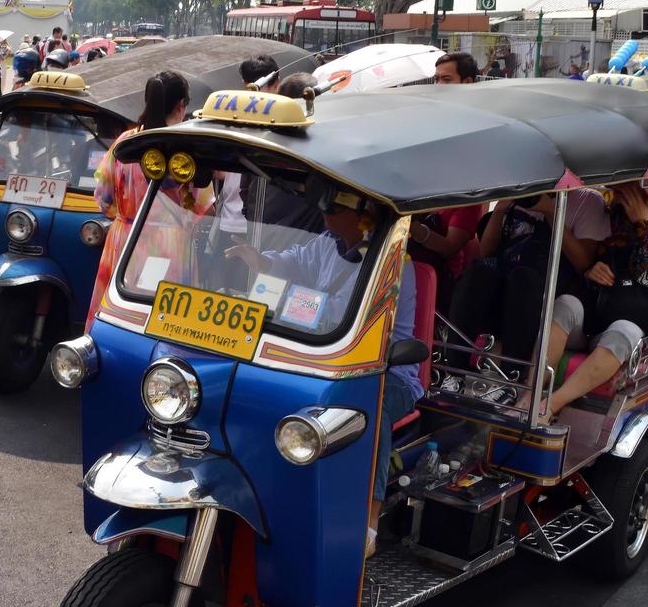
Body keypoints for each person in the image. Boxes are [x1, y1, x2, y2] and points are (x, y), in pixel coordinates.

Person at [224, 192, 421, 556]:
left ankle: (369, 523)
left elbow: (339, 312)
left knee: (367, 410)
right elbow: (294, 261)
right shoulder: (328, 242)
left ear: (364, 216)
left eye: (337, 207)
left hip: (386, 370)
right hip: (324, 359)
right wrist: (261, 262)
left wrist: (289, 300)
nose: (326, 212)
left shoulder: (397, 264)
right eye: (326, 204)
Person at [442, 189, 611, 405]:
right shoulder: (517, 196)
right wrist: (501, 208)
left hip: (544, 292)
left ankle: (510, 380)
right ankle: (453, 370)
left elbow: (584, 261)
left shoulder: (587, 201)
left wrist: (551, 212)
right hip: (504, 291)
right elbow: (486, 252)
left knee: (524, 278)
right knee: (478, 271)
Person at [542, 182, 648, 418]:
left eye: (628, 193)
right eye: (619, 192)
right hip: (597, 314)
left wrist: (643, 225)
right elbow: (587, 259)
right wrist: (590, 269)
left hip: (631, 327)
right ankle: (532, 393)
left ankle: (552, 404)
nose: (618, 198)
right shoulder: (608, 221)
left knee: (624, 330)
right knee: (565, 304)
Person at [87, 72, 208, 327]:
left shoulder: (125, 142)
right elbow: (202, 207)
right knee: (161, 323)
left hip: (123, 239)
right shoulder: (185, 151)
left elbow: (102, 198)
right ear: (181, 106)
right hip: (168, 245)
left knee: (114, 318)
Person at [408, 204, 483, 311]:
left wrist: (415, 229)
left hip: (438, 278)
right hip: (407, 264)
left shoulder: (469, 204)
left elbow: (450, 248)